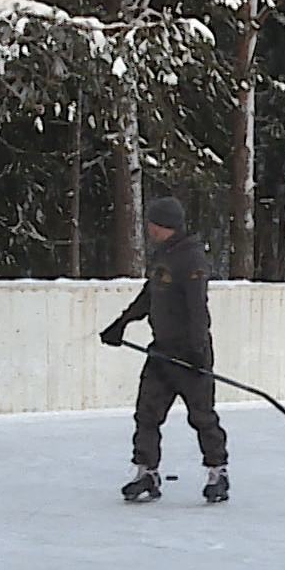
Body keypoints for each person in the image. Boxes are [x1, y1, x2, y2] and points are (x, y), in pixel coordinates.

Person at [99, 196, 230, 503]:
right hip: (161, 352)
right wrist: (122, 323)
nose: (149, 228)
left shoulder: (191, 259)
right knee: (147, 414)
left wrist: (198, 351)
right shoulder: (164, 255)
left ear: (166, 225)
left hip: (189, 354)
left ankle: (218, 472)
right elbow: (150, 295)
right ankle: (146, 473)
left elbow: (197, 309)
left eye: (153, 223)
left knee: (202, 417)